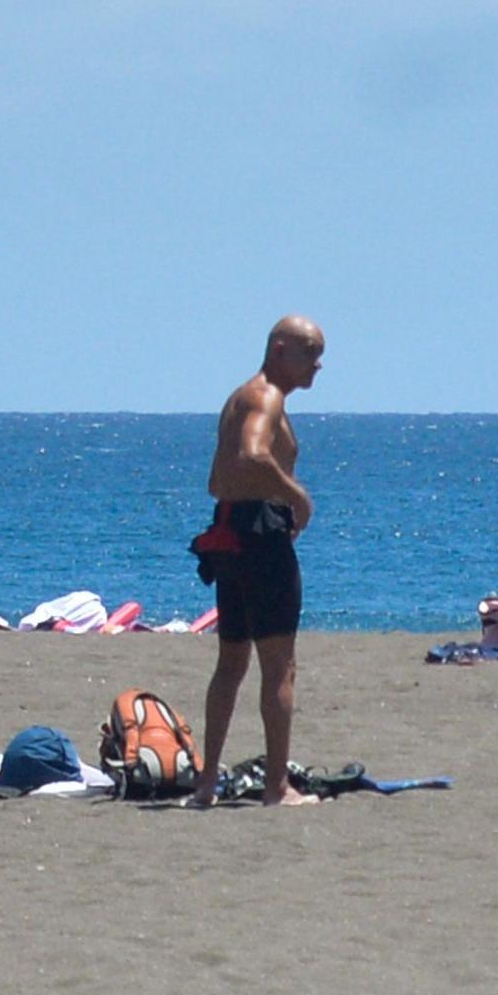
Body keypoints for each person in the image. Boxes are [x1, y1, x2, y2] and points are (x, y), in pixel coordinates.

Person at [187, 316, 326, 808]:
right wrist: (297, 498)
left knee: (231, 663)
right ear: (280, 348)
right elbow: (251, 454)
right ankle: (276, 787)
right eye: (310, 352)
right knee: (279, 666)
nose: (318, 363)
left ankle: (206, 785)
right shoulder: (264, 397)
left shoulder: (241, 397)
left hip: (230, 533)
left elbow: (215, 480)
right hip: (259, 538)